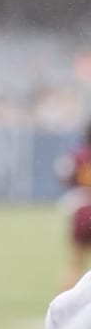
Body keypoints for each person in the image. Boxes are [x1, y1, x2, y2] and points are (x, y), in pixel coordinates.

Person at [55, 120, 91, 289]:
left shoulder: (77, 155)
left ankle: (66, 302)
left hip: (81, 210)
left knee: (75, 262)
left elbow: (63, 174)